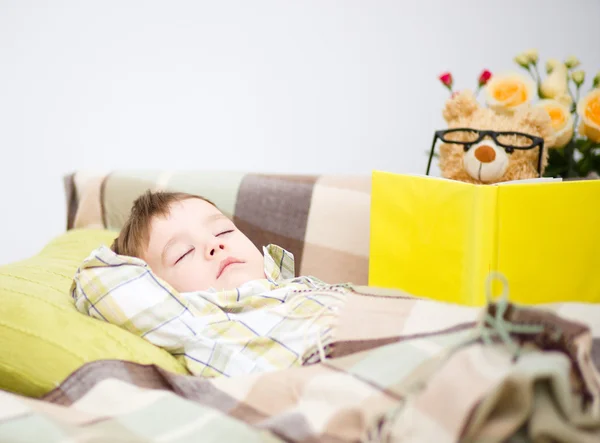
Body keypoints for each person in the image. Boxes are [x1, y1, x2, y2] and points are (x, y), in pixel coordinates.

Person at [72, 190, 350, 377]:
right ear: (157, 289)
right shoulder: (198, 320)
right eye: (183, 253)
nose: (215, 244)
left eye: (224, 231)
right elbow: (96, 279)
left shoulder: (301, 285)